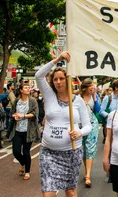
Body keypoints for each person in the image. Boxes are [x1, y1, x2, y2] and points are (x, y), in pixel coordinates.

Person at [35, 51, 92, 197]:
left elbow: (88, 125)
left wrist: (79, 132)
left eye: (61, 78)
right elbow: (38, 75)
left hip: (72, 153)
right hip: (49, 152)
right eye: (55, 79)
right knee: (48, 193)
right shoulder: (49, 95)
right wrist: (58, 59)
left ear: (67, 80)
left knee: (70, 192)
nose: (58, 82)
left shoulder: (78, 101)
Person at [7, 82, 39, 180]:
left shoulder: (33, 101)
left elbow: (35, 113)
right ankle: (23, 163)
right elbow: (12, 113)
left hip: (28, 130)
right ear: (21, 90)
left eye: (28, 88)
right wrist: (15, 116)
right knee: (16, 151)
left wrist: (23, 115)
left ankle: (27, 171)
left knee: (26, 151)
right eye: (25, 88)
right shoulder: (16, 101)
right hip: (17, 130)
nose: (28, 89)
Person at [80, 78, 101, 188]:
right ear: (85, 88)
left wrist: (94, 97)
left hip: (92, 124)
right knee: (83, 149)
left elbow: (98, 110)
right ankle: (86, 170)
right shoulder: (78, 97)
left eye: (93, 86)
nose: (93, 88)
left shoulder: (95, 96)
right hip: (81, 125)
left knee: (90, 148)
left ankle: (88, 175)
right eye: (91, 86)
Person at [100, 80, 118, 144]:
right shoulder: (108, 98)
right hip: (109, 125)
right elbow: (101, 111)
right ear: (116, 88)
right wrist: (110, 115)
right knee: (110, 144)